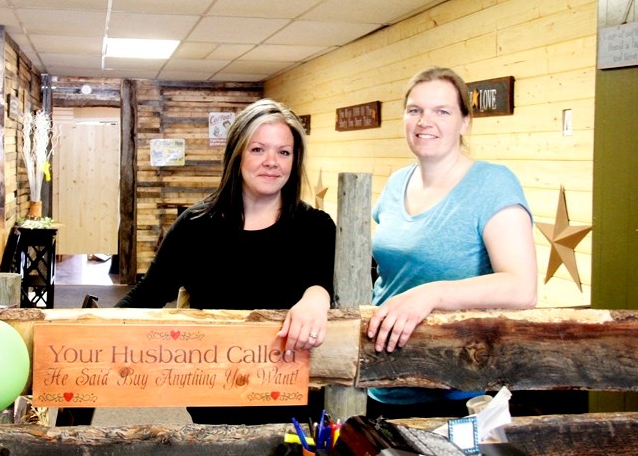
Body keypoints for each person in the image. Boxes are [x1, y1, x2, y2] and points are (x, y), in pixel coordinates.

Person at [116, 98, 336, 425]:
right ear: (237, 154)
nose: (272, 162)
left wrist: (318, 295)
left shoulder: (315, 227)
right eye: (258, 149)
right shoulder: (196, 226)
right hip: (216, 397)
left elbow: (333, 288)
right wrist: (73, 331)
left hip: (295, 403)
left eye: (284, 152)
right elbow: (148, 294)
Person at [366, 66, 537, 419]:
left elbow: (522, 288)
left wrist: (430, 294)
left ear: (464, 122)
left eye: (442, 111)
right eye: (415, 110)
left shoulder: (493, 184)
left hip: (457, 386)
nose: (425, 121)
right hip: (380, 380)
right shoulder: (397, 183)